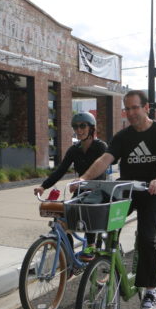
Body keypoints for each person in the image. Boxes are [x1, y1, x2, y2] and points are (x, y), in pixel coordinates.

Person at [73, 90, 156, 309]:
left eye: (135, 108)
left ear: (146, 108)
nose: (130, 113)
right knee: (103, 222)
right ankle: (109, 260)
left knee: (146, 237)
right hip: (127, 190)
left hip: (153, 192)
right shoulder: (123, 136)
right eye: (127, 109)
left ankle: (149, 292)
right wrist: (84, 179)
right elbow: (104, 160)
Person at [34, 111, 107, 261]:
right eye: (75, 126)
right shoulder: (74, 150)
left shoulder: (100, 147)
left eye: (82, 126)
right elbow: (60, 170)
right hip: (80, 191)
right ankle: (69, 258)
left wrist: (82, 179)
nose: (78, 130)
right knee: (62, 222)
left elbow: (102, 167)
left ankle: (91, 245)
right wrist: (43, 186)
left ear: (91, 128)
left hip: (98, 191)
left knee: (88, 212)